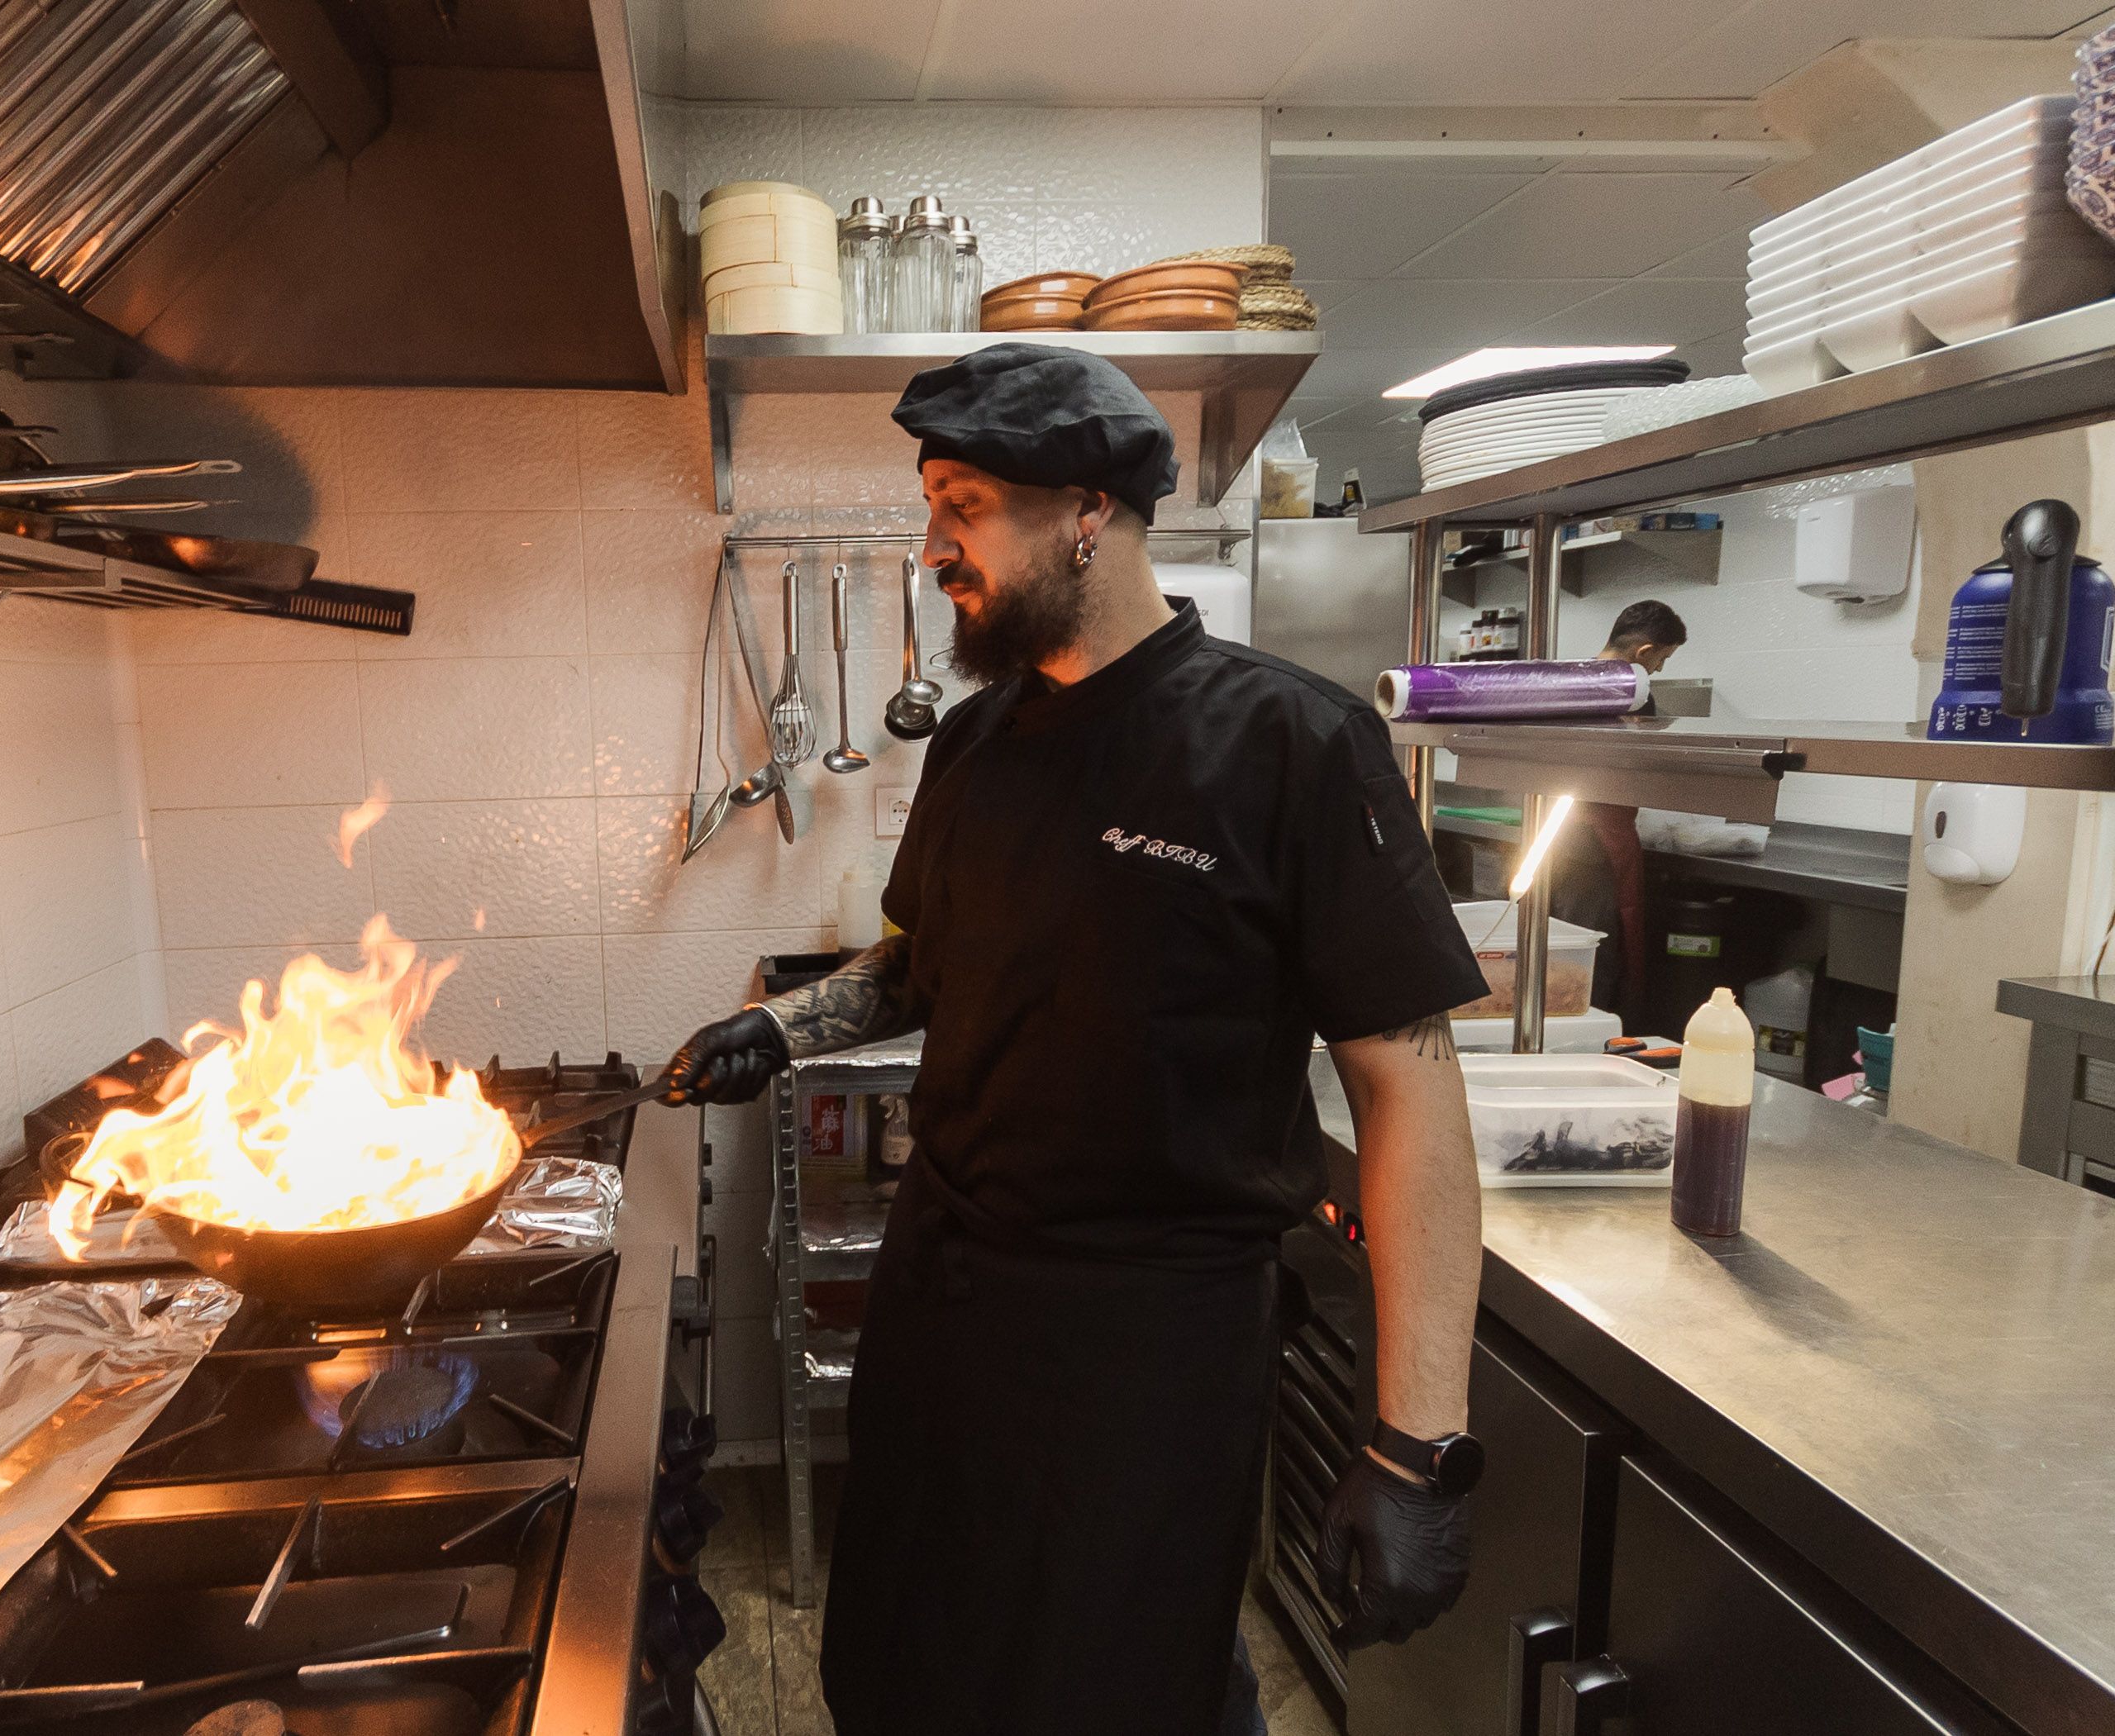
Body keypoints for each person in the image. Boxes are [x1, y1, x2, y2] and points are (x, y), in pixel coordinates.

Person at [661, 345, 1493, 1736]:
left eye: (963, 503)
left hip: (1146, 1348)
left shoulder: (1291, 744)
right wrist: (778, 1027)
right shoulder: (980, 746)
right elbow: (920, 964)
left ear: (1088, 511)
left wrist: (1418, 1447)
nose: (931, 546)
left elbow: (1411, 1096)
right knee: (902, 1668)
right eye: (931, 502)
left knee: (1112, 1698)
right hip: (945, 1307)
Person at [1560, 600, 1689, 1026]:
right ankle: (1597, 1044)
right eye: (1662, 659)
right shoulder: (1631, 689)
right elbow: (1644, 766)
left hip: (1556, 831)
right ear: (1643, 651)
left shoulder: (1566, 680)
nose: (1659, 670)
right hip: (1600, 840)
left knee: (1560, 948)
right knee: (1600, 952)